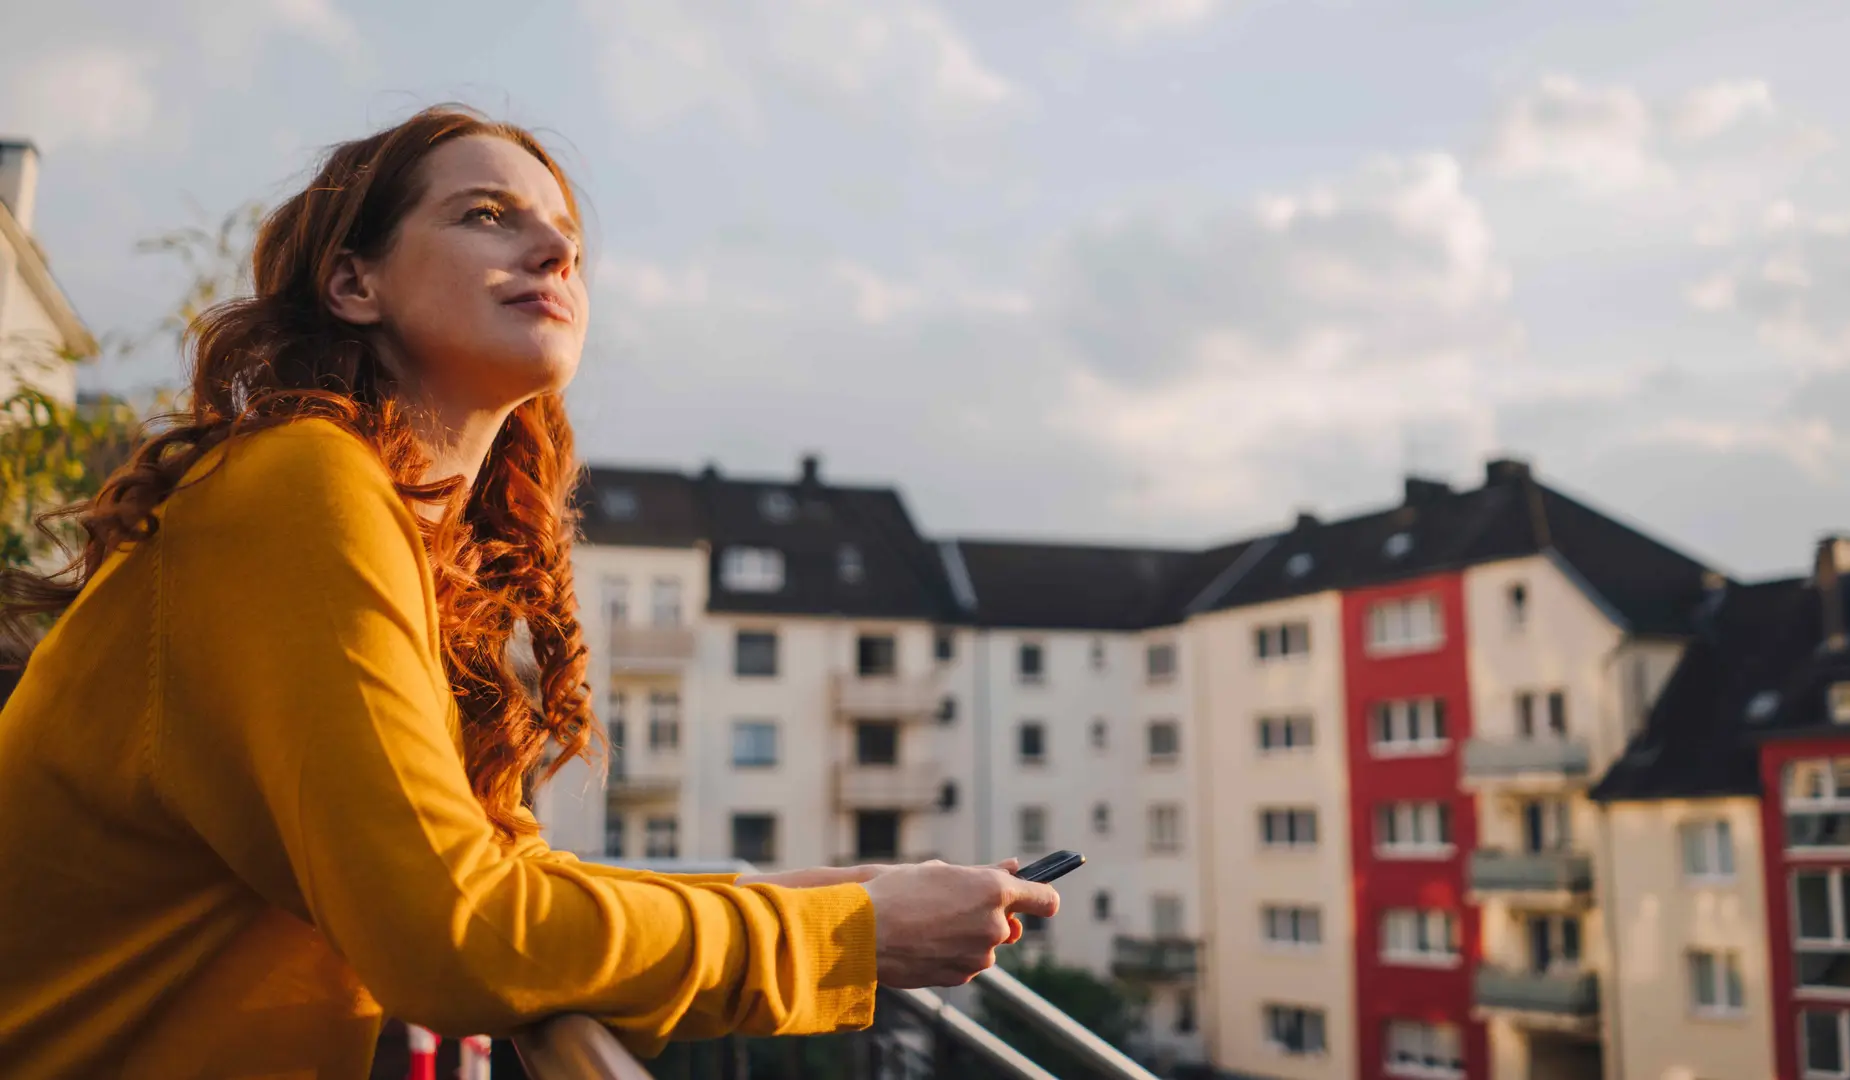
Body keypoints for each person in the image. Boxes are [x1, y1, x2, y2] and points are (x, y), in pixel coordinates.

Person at [0, 105, 1058, 1079]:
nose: (552, 251)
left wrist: (851, 896)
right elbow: (462, 935)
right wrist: (854, 938)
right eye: (486, 217)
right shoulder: (299, 486)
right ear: (353, 283)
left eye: (569, 243)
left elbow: (511, 883)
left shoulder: (397, 539)